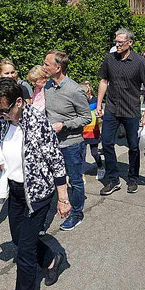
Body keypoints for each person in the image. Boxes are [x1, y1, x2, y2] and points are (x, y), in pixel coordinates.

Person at [0, 78, 70, 290]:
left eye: (3, 110)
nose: (0, 115)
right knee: (18, 238)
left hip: (38, 193)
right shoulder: (7, 121)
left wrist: (63, 198)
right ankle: (52, 258)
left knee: (24, 253)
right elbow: (5, 146)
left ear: (19, 103)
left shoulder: (37, 121)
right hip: (15, 190)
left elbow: (55, 159)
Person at [96, 28, 145, 195]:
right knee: (106, 143)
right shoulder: (110, 58)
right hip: (112, 108)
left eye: (120, 42)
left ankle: (132, 177)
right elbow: (104, 80)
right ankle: (113, 180)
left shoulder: (139, 62)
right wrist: (99, 103)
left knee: (133, 146)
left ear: (130, 43)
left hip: (131, 110)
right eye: (116, 42)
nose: (117, 45)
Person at [43, 50, 91, 231]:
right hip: (51, 143)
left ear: (58, 67)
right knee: (52, 179)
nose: (44, 67)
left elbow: (86, 117)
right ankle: (52, 208)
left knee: (75, 180)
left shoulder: (74, 89)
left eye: (47, 64)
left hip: (71, 144)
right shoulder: (47, 86)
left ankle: (77, 213)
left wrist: (64, 124)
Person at [80, 81, 104, 180]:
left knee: (94, 152)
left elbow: (101, 113)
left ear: (89, 92)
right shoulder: (80, 102)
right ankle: (82, 174)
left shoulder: (95, 101)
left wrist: (101, 115)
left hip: (94, 131)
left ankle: (100, 167)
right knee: (82, 154)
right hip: (82, 131)